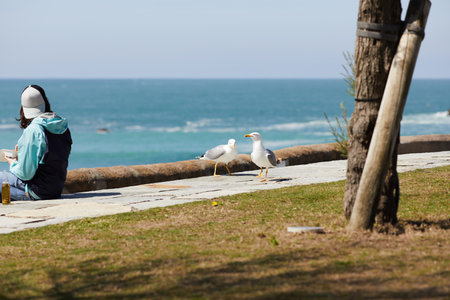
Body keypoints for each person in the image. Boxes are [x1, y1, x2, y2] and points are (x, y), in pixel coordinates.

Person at [1, 85, 72, 200]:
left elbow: (25, 174)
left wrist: (13, 162)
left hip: (36, 191)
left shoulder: (34, 130)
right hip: (55, 189)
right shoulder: (62, 126)